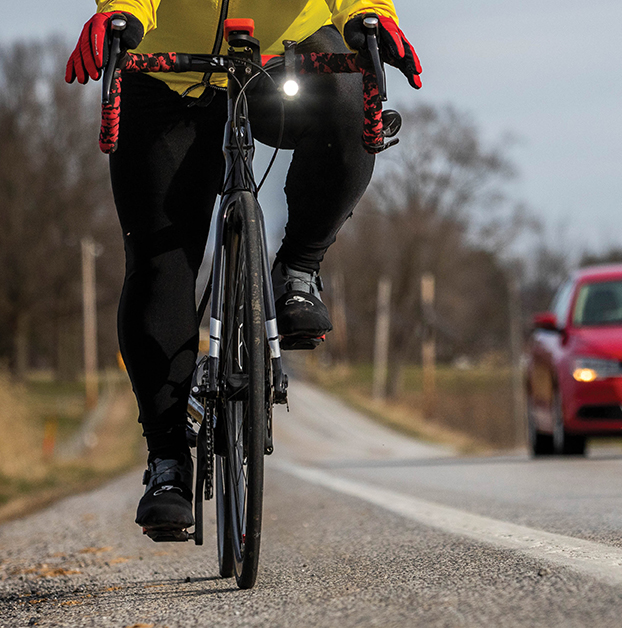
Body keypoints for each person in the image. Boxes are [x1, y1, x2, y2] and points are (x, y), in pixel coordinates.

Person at [63, 0, 421, 537]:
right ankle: (167, 463)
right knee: (160, 263)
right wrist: (122, 11)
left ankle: (297, 271)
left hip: (284, 58)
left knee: (353, 102)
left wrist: (369, 15)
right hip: (167, 70)